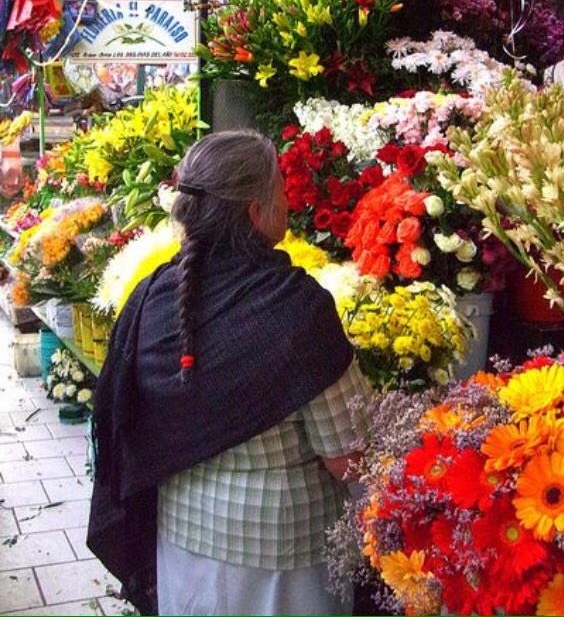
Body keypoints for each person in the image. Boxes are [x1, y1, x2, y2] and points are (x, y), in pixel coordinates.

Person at [87, 131, 371, 616]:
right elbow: (347, 457)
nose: (289, 200)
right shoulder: (297, 307)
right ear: (256, 212)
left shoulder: (153, 295)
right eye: (281, 188)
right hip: (283, 562)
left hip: (182, 545)